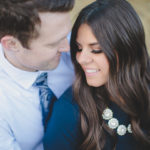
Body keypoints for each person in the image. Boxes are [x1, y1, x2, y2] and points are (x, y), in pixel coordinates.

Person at [69, 0, 150, 149]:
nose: (81, 59)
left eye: (96, 49)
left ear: (127, 49)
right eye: (79, 48)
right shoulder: (69, 112)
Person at [0, 0, 75, 150]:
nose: (67, 47)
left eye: (66, 35)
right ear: (12, 44)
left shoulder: (78, 47)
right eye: (53, 44)